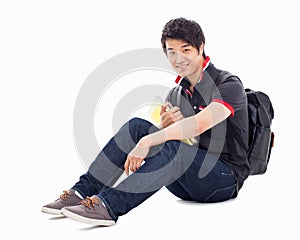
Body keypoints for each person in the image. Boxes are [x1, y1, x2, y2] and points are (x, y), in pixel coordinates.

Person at [42, 17, 250, 226]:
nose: (179, 59)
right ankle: (81, 192)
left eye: (185, 50)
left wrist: (148, 141)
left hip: (223, 178)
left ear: (201, 47)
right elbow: (181, 143)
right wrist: (162, 128)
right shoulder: (177, 94)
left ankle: (107, 206)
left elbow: (200, 124)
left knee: (160, 143)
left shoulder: (228, 84)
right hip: (186, 180)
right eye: (171, 52)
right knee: (137, 127)